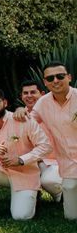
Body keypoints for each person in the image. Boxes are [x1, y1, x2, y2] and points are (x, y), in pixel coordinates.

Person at [0, 87, 51, 220]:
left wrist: (21, 159)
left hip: (25, 173)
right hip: (1, 171)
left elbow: (45, 146)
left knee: (21, 216)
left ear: (5, 103)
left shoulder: (22, 119)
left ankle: (34, 194)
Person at [24, 62, 77, 218]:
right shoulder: (42, 103)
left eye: (60, 76)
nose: (55, 80)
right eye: (50, 78)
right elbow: (28, 123)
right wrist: (21, 111)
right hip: (68, 163)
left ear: (69, 77)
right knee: (71, 216)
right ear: (45, 82)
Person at [16, 80, 61, 203]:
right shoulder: (18, 116)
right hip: (28, 161)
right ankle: (32, 191)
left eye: (33, 92)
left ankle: (61, 195)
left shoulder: (53, 111)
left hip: (52, 161)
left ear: (41, 94)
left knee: (50, 181)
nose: (29, 96)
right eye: (25, 93)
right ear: (21, 96)